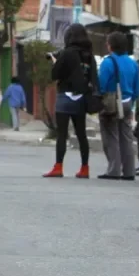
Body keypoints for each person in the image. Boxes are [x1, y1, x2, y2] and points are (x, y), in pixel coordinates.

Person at [44, 23, 97, 179]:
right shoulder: (89, 55)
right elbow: (93, 77)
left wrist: (55, 60)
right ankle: (85, 168)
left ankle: (58, 167)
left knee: (62, 133)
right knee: (81, 134)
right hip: (82, 98)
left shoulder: (67, 53)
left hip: (65, 97)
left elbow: (55, 74)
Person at [97, 31, 139, 181]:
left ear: (111, 46)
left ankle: (114, 170)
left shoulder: (108, 62)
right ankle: (129, 171)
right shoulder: (132, 63)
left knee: (111, 136)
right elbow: (137, 87)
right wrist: (132, 101)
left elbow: (101, 85)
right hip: (128, 102)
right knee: (126, 136)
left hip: (112, 103)